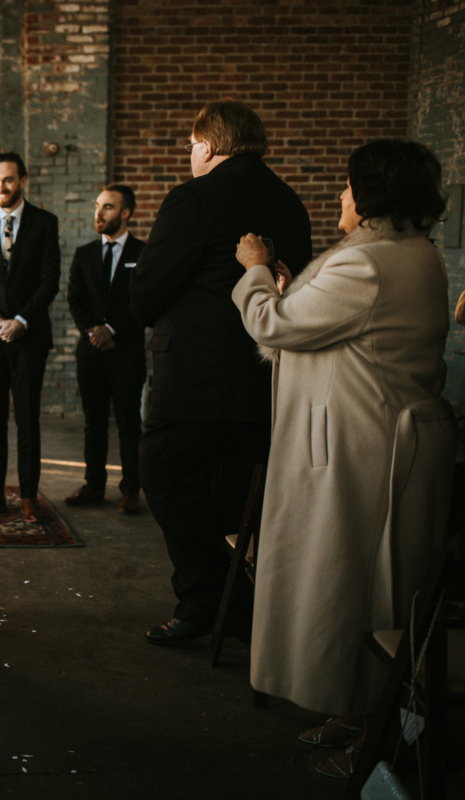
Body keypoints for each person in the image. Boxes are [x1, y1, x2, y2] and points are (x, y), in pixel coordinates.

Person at [233, 139, 454, 778]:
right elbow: (324, 326)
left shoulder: (368, 265)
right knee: (365, 584)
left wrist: (253, 269)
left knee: (351, 583)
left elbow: (275, 328)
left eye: (350, 187)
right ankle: (359, 711)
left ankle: (373, 734)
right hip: (381, 439)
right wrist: (286, 293)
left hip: (362, 449)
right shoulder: (417, 256)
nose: (341, 197)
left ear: (374, 197)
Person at [128, 99, 312, 646]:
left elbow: (145, 293)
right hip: (265, 378)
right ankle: (236, 604)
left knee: (162, 476)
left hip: (193, 379)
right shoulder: (289, 202)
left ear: (207, 146)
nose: (190, 155)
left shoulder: (194, 198)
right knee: (237, 500)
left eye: (191, 146)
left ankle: (206, 600)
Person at [0, 152, 60, 523]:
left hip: (29, 336)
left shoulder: (44, 223)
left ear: (23, 180)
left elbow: (49, 281)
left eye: (7, 180)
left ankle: (28, 496)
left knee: (27, 419)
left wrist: (20, 320)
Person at [64, 185, 147, 514]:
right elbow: (75, 299)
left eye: (108, 207)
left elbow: (142, 301)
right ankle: (93, 485)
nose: (99, 213)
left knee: (129, 424)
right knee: (93, 422)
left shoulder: (143, 253)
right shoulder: (84, 254)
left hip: (126, 353)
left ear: (126, 213)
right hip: (91, 353)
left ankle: (131, 490)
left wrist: (112, 330)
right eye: (98, 206)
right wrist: (94, 332)